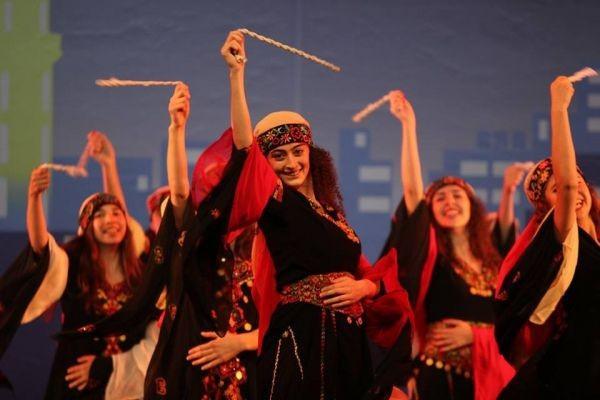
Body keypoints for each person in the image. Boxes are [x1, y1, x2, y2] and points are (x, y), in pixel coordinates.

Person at [213, 31, 412, 400]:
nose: (291, 163)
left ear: (311, 153)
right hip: (302, 338)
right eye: (278, 155)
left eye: (297, 151)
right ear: (266, 164)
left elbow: (371, 275)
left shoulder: (334, 217)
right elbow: (244, 148)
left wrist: (364, 288)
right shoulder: (277, 204)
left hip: (348, 343)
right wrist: (236, 74)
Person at [379, 90, 516, 400]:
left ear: (472, 207)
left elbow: (513, 322)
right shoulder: (434, 257)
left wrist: (477, 335)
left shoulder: (493, 262)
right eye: (440, 198)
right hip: (440, 378)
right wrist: (408, 125)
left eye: (457, 195)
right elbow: (413, 193)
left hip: (491, 377)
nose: (450, 202)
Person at [0, 131, 157, 399]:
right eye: (100, 216)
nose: (111, 220)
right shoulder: (71, 265)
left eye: (117, 214)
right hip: (76, 383)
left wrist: (108, 164)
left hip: (126, 381)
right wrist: (34, 197)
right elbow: (40, 248)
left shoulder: (139, 267)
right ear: (87, 227)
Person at [495, 76, 600, 399]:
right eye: (557, 189)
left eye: (579, 181)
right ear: (547, 206)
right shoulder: (563, 239)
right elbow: (567, 186)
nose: (574, 189)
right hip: (578, 367)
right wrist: (559, 107)